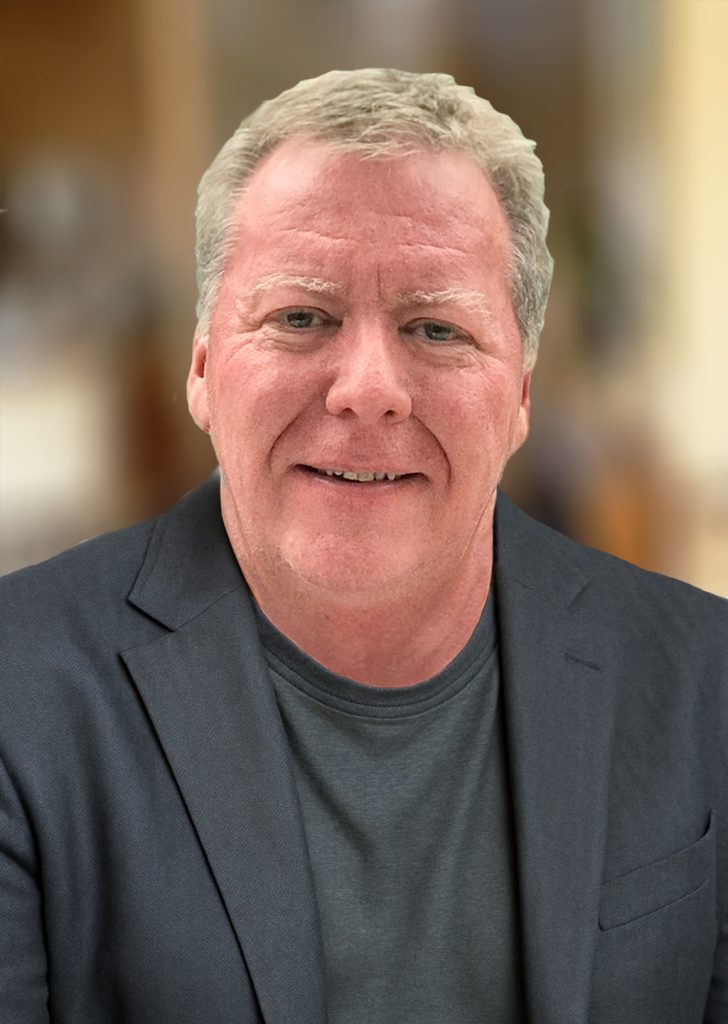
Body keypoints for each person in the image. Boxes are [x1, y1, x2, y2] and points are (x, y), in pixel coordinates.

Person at [1, 68, 725, 1024]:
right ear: (206, 367)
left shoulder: (705, 680)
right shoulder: (18, 694)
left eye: (436, 327)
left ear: (520, 396)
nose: (368, 388)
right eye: (301, 317)